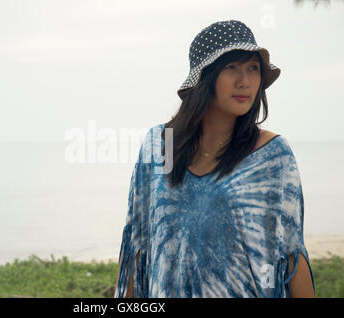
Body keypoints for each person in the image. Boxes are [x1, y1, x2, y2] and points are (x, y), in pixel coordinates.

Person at [114, 20, 315, 298]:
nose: (244, 81)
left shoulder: (271, 155)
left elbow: (291, 252)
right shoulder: (160, 145)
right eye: (230, 67)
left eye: (253, 68)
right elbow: (138, 245)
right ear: (205, 77)